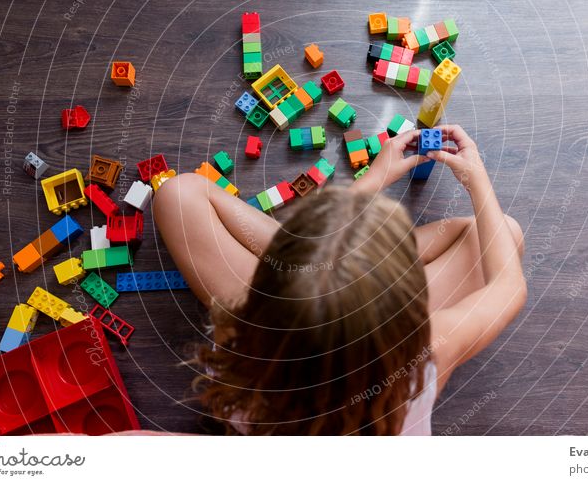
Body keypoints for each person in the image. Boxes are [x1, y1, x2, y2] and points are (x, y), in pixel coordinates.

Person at [153, 125, 526, 435]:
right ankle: (337, 256)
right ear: (408, 313)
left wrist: (371, 181)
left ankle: (317, 252)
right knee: (504, 233)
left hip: (287, 315)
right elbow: (508, 287)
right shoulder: (424, 356)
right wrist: (477, 180)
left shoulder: (246, 333)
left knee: (177, 194)